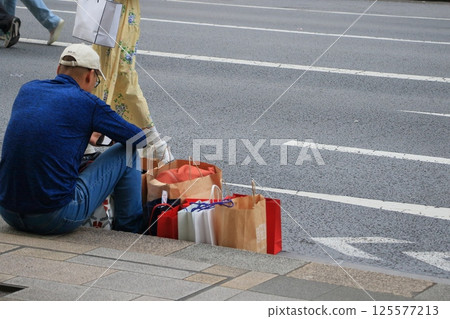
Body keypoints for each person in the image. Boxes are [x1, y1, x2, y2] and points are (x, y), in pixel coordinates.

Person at [0, 43, 147, 235]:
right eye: (95, 82)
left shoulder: (28, 90)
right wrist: (100, 130)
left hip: (8, 212)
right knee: (127, 153)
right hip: (54, 217)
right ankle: (130, 229)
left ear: (59, 69)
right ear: (89, 76)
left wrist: (85, 132)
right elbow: (138, 139)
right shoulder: (88, 102)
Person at [92, 0, 173, 163]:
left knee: (122, 76)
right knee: (99, 70)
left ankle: (155, 143)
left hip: (119, 11)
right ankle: (85, 139)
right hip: (108, 9)